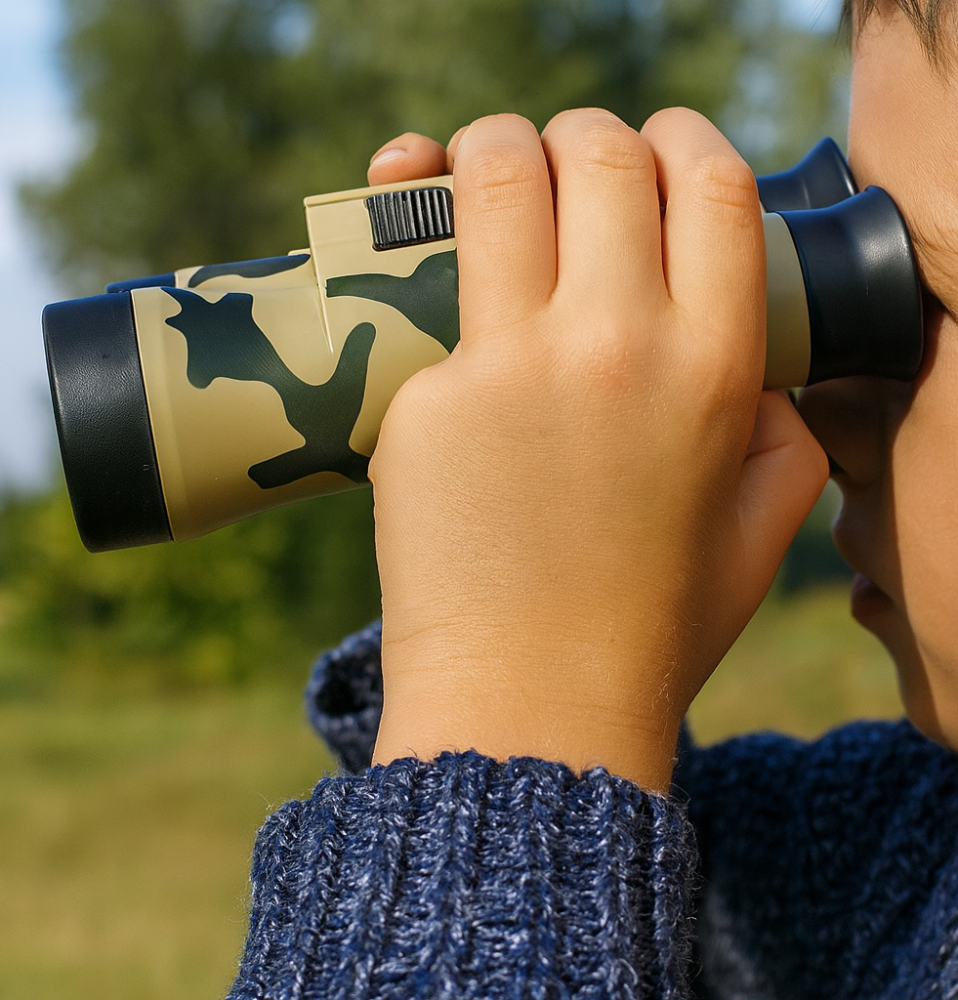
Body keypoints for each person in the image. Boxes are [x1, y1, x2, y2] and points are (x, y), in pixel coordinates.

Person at [227, 1, 958, 996]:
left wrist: (509, 703)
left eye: (920, 292)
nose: (829, 411)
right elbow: (671, 923)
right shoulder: (907, 851)